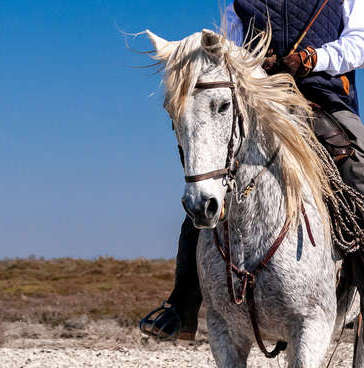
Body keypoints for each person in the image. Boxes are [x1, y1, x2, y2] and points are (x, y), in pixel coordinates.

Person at [140, 0, 364, 341]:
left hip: (324, 100)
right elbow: (230, 53)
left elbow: (358, 43)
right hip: (261, 102)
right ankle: (182, 306)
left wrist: (313, 59)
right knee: (207, 188)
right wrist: (255, 63)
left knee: (359, 173)